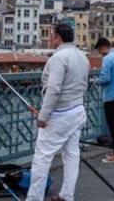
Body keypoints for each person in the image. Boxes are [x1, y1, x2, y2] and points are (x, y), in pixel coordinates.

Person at [26, 24, 90, 201]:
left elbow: (53, 89)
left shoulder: (58, 58)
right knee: (71, 155)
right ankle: (67, 195)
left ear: (58, 38)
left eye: (51, 35)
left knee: (42, 157)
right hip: (77, 110)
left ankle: (34, 198)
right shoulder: (82, 56)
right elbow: (84, 85)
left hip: (60, 114)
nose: (49, 38)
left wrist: (43, 116)